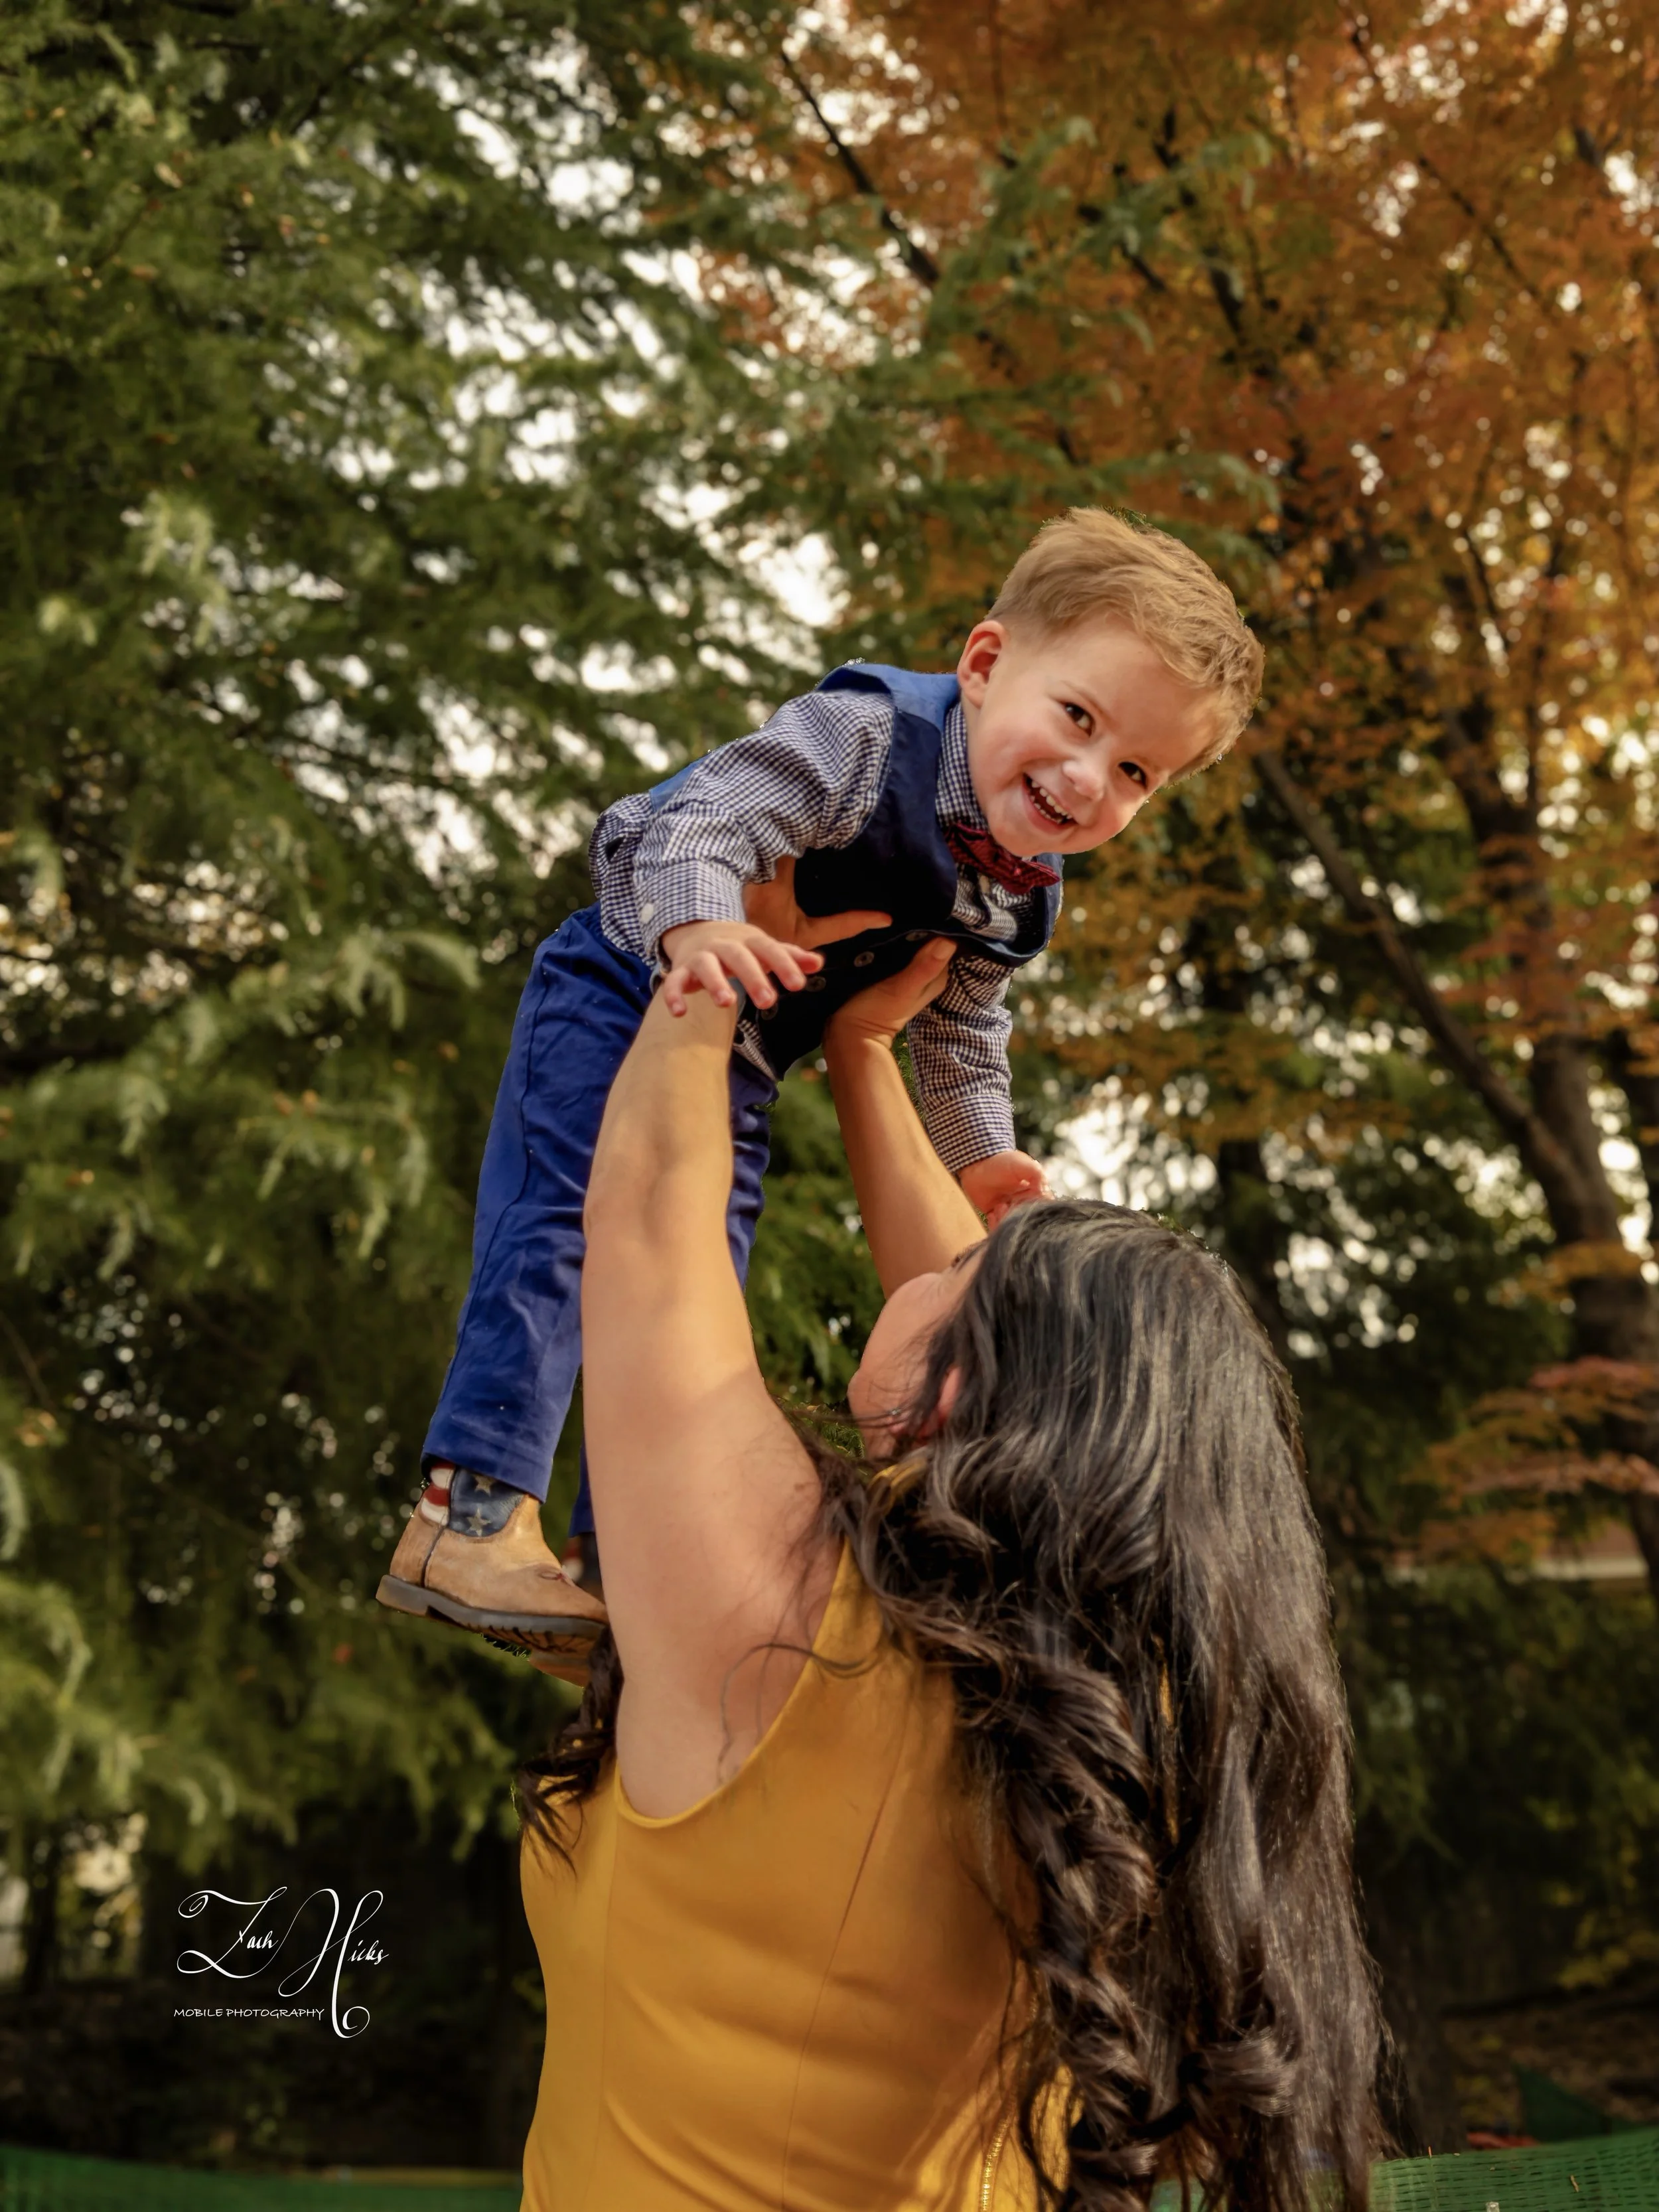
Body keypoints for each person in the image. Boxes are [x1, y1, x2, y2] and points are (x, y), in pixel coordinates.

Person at [512, 938, 1384, 2211]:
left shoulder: (792, 1624)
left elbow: (647, 1214)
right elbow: (1000, 1351)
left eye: (950, 1276)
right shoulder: (1136, 1739)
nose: (916, 1270)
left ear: (970, 1379)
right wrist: (867, 1058)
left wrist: (709, 935)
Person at [377, 510, 1264, 1667]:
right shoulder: (866, 741)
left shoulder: (1020, 894)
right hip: (620, 981)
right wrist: (700, 927)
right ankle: (469, 1513)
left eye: (1137, 770)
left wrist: (977, 1154)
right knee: (565, 1227)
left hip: (741, 1058)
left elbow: (956, 1028)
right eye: (1079, 718)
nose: (1088, 778)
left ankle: (619, 1554)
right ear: (988, 666)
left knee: (700, 1280)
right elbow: (703, 818)